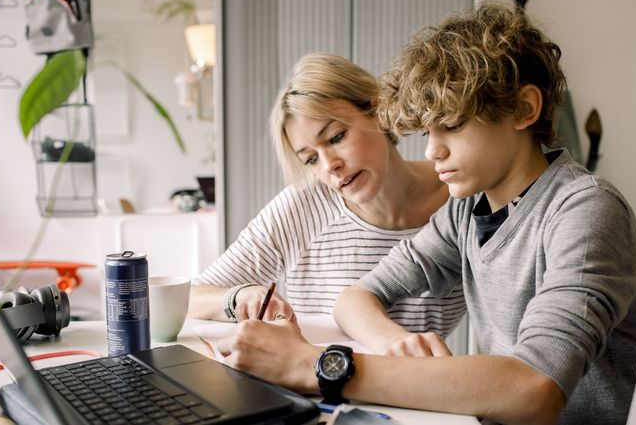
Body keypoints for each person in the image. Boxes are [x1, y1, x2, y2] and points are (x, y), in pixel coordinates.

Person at [216, 4, 636, 424]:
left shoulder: (586, 210)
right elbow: (356, 297)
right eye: (428, 130)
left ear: (524, 109)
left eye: (451, 125)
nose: (432, 150)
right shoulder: (467, 212)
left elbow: (534, 389)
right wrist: (395, 343)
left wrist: (316, 366)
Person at [189, 52, 468, 337]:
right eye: (310, 159)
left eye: (336, 137)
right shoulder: (302, 208)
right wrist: (237, 297)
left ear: (377, 110)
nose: (329, 166)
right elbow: (189, 298)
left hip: (418, 379)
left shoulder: (462, 197)